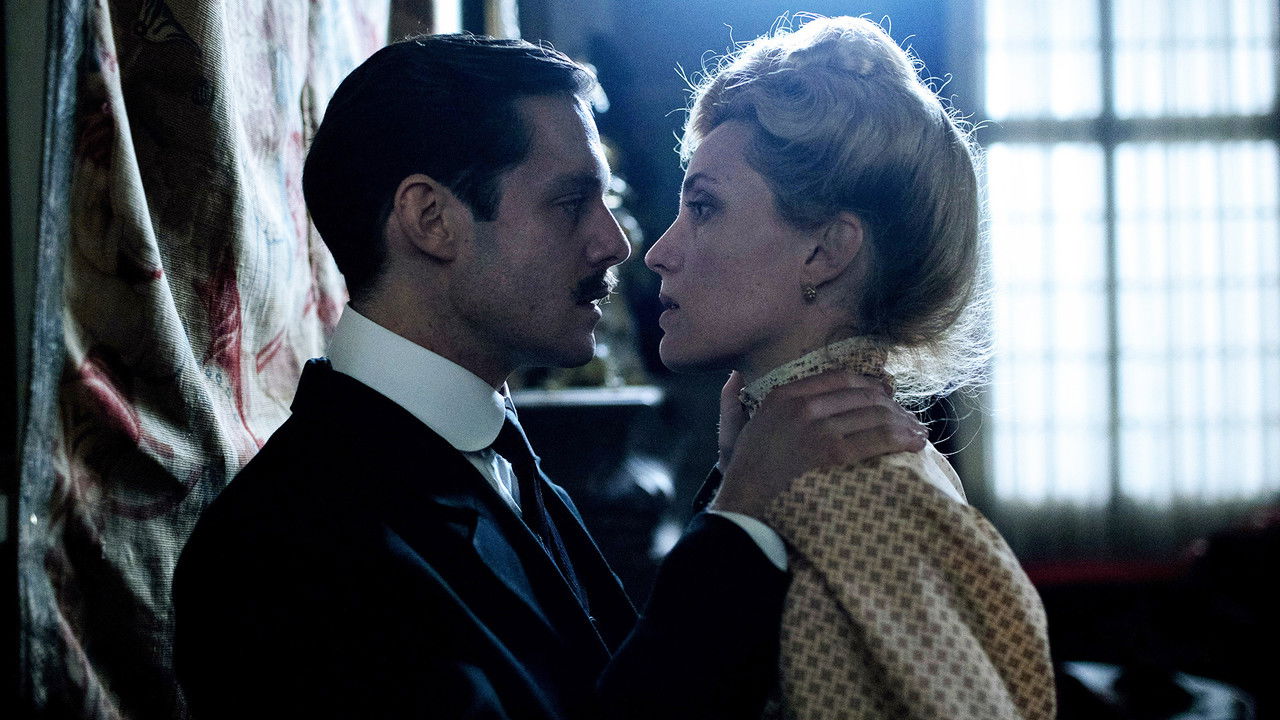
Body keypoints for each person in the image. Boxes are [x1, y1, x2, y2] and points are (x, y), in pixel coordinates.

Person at [172, 34, 924, 719]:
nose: (616, 243)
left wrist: (736, 482)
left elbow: (618, 691)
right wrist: (741, 521)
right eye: (571, 202)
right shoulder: (282, 549)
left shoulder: (498, 457)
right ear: (431, 219)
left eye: (606, 201)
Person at [641, 16, 1057, 720]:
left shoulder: (850, 491)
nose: (659, 252)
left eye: (704, 207)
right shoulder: (796, 468)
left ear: (827, 252)